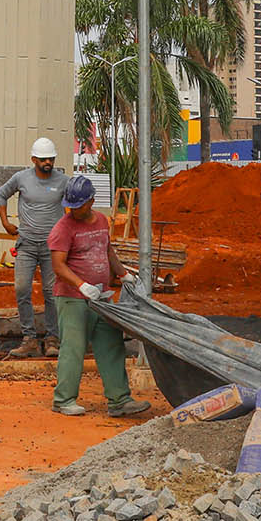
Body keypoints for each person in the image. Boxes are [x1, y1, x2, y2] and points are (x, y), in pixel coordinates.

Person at [46, 174, 151, 418]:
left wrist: (123, 275)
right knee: (73, 347)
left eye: (79, 205)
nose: (73, 210)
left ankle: (119, 400)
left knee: (111, 344)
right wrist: (81, 285)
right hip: (72, 298)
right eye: (70, 206)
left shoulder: (101, 221)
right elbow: (58, 265)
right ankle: (63, 400)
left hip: (102, 298)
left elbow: (107, 250)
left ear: (91, 201)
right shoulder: (63, 228)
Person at [0, 137, 68, 358]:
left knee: (51, 292)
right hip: (26, 244)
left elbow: (76, 203)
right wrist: (5, 223)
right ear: (34, 159)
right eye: (43, 159)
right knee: (22, 289)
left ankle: (53, 339)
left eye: (51, 159)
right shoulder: (21, 178)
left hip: (52, 247)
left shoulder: (63, 181)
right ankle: (29, 339)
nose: (48, 162)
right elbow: (1, 195)